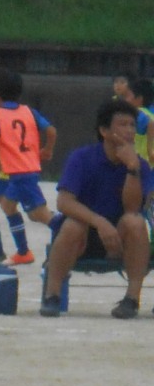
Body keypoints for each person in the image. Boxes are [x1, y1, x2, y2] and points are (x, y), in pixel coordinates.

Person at [40, 99, 154, 318]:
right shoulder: (82, 158)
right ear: (104, 131)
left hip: (120, 237)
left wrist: (132, 169)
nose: (130, 130)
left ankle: (131, 299)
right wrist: (99, 222)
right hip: (83, 235)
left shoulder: (140, 165)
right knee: (73, 225)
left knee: (135, 222)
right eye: (123, 124)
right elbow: (64, 202)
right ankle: (52, 295)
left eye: (132, 125)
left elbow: (132, 208)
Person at [0, 68, 56, 267]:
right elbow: (50, 130)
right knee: (6, 207)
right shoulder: (27, 111)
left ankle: (69, 232)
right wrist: (47, 150)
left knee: (38, 214)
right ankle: (18, 251)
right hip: (21, 170)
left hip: (16, 172)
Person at [123, 77, 154, 166]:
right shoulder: (149, 114)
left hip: (139, 166)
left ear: (139, 98)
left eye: (128, 96)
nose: (125, 100)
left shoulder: (139, 116)